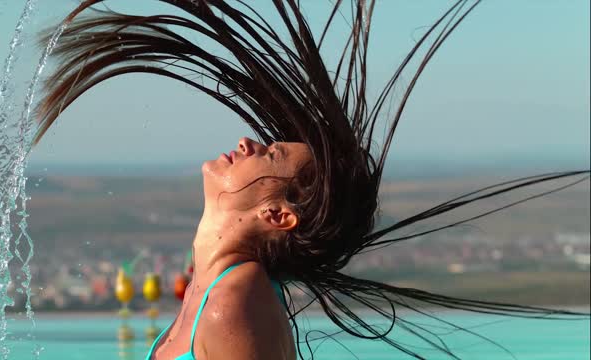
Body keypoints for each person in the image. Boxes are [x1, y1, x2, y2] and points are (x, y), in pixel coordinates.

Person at [32, 1, 589, 359]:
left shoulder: (235, 298)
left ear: (277, 215)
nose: (248, 143)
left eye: (267, 153)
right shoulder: (214, 287)